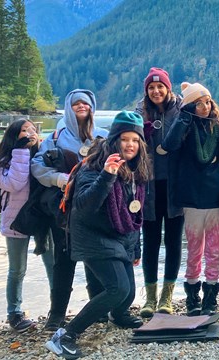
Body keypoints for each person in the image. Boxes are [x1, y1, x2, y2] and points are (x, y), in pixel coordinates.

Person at [45, 111, 148, 359]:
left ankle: (118, 315)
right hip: (90, 234)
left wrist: (135, 249)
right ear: (114, 140)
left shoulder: (136, 170)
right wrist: (107, 175)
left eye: (135, 140)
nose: (130, 145)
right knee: (117, 289)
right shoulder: (93, 166)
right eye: (125, 139)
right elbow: (84, 205)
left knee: (128, 293)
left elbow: (134, 212)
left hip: (117, 235)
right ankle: (64, 336)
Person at [32, 89, 106, 331]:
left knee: (94, 258)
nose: (81, 106)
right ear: (68, 107)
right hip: (62, 210)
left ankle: (97, 309)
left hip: (93, 208)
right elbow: (37, 166)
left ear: (93, 107)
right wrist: (59, 178)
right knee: (63, 260)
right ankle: (57, 314)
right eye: (76, 103)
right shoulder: (55, 137)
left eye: (86, 102)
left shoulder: (103, 136)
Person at [161, 82, 219, 316]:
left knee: (214, 251)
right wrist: (184, 118)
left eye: (207, 101)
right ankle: (192, 297)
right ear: (189, 106)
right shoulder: (184, 126)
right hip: (191, 199)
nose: (204, 107)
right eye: (198, 103)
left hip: (216, 198)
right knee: (194, 251)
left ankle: (211, 296)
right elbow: (169, 145)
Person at [0, 119, 54, 332]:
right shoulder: (2, 163)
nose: (30, 133)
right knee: (17, 270)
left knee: (53, 264)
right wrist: (21, 151)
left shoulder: (41, 157)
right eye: (25, 130)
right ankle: (14, 313)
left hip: (42, 218)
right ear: (14, 135)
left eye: (33, 130)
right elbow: (15, 184)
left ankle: (57, 308)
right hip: (15, 219)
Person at [135, 67, 184, 316]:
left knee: (173, 241)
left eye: (160, 87)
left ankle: (167, 297)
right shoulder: (139, 112)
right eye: (151, 88)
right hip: (148, 186)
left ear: (168, 88)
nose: (156, 91)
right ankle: (149, 298)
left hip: (176, 186)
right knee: (151, 241)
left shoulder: (181, 109)